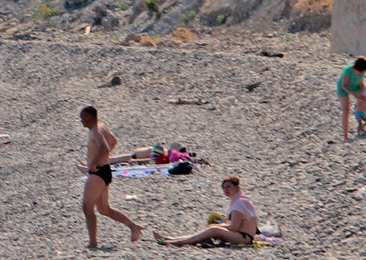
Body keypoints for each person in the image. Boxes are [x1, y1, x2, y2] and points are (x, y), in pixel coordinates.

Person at [79, 106, 143, 248]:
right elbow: (113, 142)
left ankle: (93, 242)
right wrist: (101, 158)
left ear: (90, 117)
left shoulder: (95, 130)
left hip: (98, 173)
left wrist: (95, 162)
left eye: (82, 117)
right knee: (104, 209)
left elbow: (105, 147)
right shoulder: (102, 127)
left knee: (87, 207)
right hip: (105, 170)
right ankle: (133, 227)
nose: (80, 120)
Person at [154, 176, 258, 247]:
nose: (226, 190)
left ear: (237, 186)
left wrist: (215, 226)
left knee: (213, 230)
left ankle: (177, 242)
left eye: (229, 186)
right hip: (241, 235)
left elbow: (234, 227)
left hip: (244, 238)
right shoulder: (238, 200)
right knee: (208, 231)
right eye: (224, 187)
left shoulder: (239, 203)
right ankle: (170, 238)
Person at [336, 56, 366, 139]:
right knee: (345, 110)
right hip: (343, 89)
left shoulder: (362, 71)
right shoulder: (347, 71)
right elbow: (344, 85)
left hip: (354, 86)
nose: (361, 73)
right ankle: (345, 135)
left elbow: (361, 85)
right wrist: (353, 94)